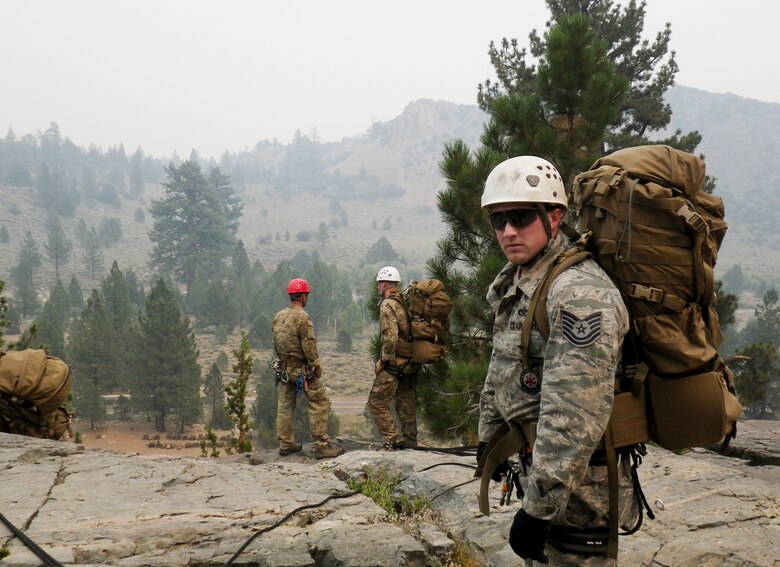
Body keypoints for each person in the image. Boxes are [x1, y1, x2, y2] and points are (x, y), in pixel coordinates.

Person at [476, 156, 639, 565]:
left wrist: (538, 508)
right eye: (499, 220)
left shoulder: (579, 294)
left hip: (582, 485)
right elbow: (503, 365)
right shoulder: (521, 278)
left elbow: (574, 412)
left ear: (554, 217)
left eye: (520, 217)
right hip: (542, 470)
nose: (508, 231)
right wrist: (489, 436)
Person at [272, 278, 344, 459]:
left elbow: (276, 342)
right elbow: (309, 344)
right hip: (301, 370)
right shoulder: (302, 317)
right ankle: (321, 445)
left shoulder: (279, 316)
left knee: (285, 404)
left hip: (284, 368)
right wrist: (315, 365)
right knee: (318, 401)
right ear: (303, 296)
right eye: (307, 295)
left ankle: (286, 443)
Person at [368, 266, 420, 450]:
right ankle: (411, 442)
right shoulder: (404, 302)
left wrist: (383, 361)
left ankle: (392, 440)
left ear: (383, 284)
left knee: (376, 401)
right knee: (406, 401)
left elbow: (390, 337)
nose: (377, 287)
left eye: (378, 284)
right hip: (411, 361)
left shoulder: (387, 305)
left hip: (395, 363)